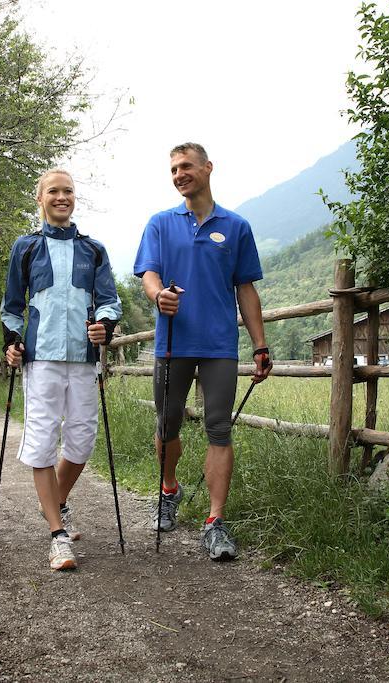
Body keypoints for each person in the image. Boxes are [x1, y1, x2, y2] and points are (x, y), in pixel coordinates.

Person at [133, 142, 272, 562]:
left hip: (218, 347)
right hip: (173, 343)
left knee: (218, 427)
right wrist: (158, 297)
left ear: (208, 168)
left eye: (186, 166)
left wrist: (260, 344)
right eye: (173, 169)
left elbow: (245, 288)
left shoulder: (236, 226)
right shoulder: (160, 223)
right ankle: (168, 489)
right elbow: (150, 274)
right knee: (168, 423)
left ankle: (215, 522)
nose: (179, 174)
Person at [0, 168, 121, 571]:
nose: (62, 197)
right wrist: (11, 342)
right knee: (42, 438)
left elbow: (109, 301)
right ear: (40, 198)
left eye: (68, 191)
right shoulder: (26, 246)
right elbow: (13, 305)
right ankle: (57, 536)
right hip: (42, 357)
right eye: (53, 191)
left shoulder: (94, 249)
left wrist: (105, 325)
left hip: (84, 358)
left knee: (83, 440)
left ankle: (57, 501)